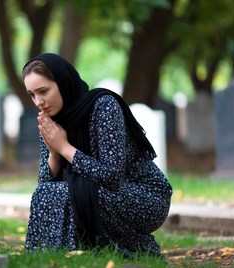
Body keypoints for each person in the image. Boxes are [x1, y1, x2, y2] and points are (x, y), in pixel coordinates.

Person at [21, 53, 172, 257]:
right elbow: (45, 186)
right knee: (50, 194)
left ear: (63, 83)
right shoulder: (50, 121)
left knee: (73, 194)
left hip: (144, 195)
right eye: (32, 94)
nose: (38, 101)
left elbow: (112, 177)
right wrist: (54, 152)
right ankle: (61, 255)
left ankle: (137, 247)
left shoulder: (103, 106)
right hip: (98, 193)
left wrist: (65, 147)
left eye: (43, 91)